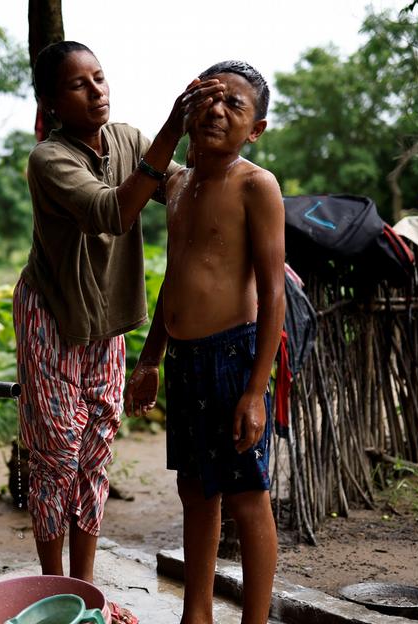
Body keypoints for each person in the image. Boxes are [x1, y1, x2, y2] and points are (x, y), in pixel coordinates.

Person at [14, 40, 223, 607]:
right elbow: (113, 212)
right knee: (57, 453)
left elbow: (178, 186)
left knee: (96, 448)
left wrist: (219, 159)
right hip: (53, 315)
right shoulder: (49, 159)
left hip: (107, 323)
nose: (96, 90)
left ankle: (83, 591)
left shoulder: (131, 142)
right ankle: (51, 590)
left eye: (100, 78)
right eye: (79, 84)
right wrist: (170, 132)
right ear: (53, 103)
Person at [125, 60, 286, 624]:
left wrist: (255, 391)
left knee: (246, 499)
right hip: (187, 360)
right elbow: (177, 277)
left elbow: (273, 295)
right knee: (196, 494)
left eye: (234, 105)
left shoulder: (256, 185)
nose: (216, 111)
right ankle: (197, 614)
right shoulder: (179, 184)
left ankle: (255, 619)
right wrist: (149, 360)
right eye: (207, 100)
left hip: (232, 357)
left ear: (256, 128)